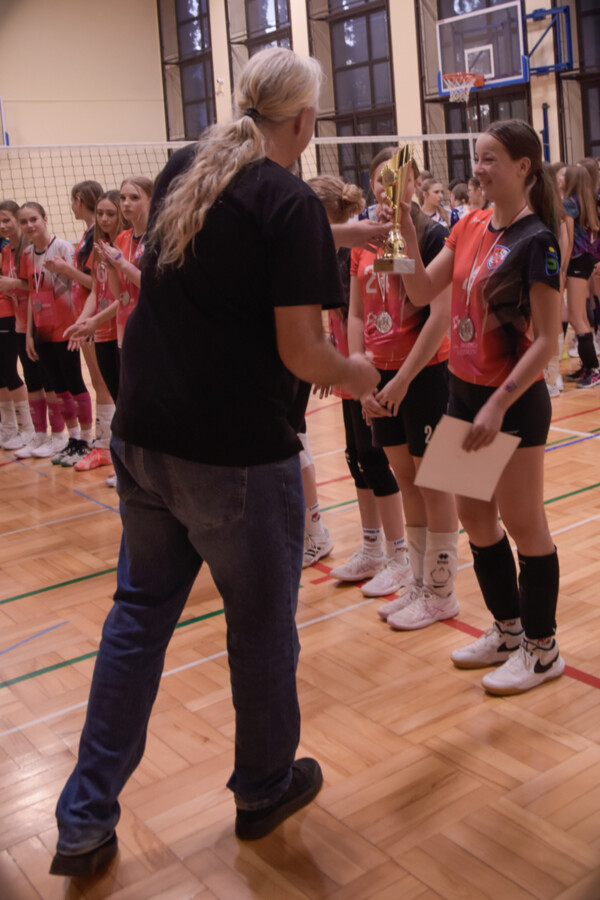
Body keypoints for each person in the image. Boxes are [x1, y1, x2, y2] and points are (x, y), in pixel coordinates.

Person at [50, 46, 378, 879]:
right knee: (260, 630)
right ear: (304, 121)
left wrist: (340, 233)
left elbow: (235, 244)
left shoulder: (188, 167)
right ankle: (263, 787)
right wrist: (359, 375)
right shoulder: (288, 199)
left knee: (135, 623)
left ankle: (83, 818)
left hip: (143, 439)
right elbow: (303, 352)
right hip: (233, 457)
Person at [398, 119, 564, 695]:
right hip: (463, 397)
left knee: (523, 522)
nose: (479, 168)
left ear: (523, 166)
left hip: (511, 403)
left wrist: (499, 403)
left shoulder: (536, 241)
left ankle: (542, 650)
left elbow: (548, 340)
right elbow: (419, 292)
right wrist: (402, 228)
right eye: (477, 158)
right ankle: (508, 630)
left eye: (490, 158)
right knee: (474, 517)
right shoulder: (467, 224)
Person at [347, 149, 459, 624]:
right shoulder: (364, 239)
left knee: (435, 482)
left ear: (414, 183)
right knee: (405, 478)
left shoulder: (433, 235)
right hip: (380, 376)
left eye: (397, 179)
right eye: (380, 180)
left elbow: (439, 317)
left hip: (426, 372)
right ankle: (418, 581)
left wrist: (403, 380)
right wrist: (360, 372)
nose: (387, 187)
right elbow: (356, 314)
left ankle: (442, 591)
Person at [308, 173, 404, 584]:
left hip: (365, 365)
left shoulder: (358, 246)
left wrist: (353, 368)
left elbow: (363, 314)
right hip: (348, 362)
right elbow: (336, 316)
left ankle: (399, 554)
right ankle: (372, 548)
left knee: (375, 458)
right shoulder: (327, 249)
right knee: (357, 457)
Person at [19, 202, 94, 462]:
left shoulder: (63, 248)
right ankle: (73, 438)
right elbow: (32, 294)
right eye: (24, 221)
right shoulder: (27, 253)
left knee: (74, 383)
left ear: (45, 219)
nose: (29, 225)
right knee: (57, 387)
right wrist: (29, 334)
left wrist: (79, 325)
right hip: (43, 330)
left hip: (66, 327)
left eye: (33, 219)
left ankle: (87, 440)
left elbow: (81, 286)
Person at [0, 201, 35, 449]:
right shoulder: (5, 250)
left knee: (10, 372)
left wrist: (10, 285)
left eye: (6, 220)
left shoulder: (27, 249)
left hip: (15, 316)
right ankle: (9, 428)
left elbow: (31, 285)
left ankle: (28, 428)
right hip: (13, 315)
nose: (2, 226)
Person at [561, 166, 600, 388]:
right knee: (579, 317)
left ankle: (593, 369)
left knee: (576, 318)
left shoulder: (570, 204)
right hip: (585, 260)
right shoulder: (587, 202)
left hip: (576, 261)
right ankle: (587, 366)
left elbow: (567, 241)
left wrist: (563, 268)